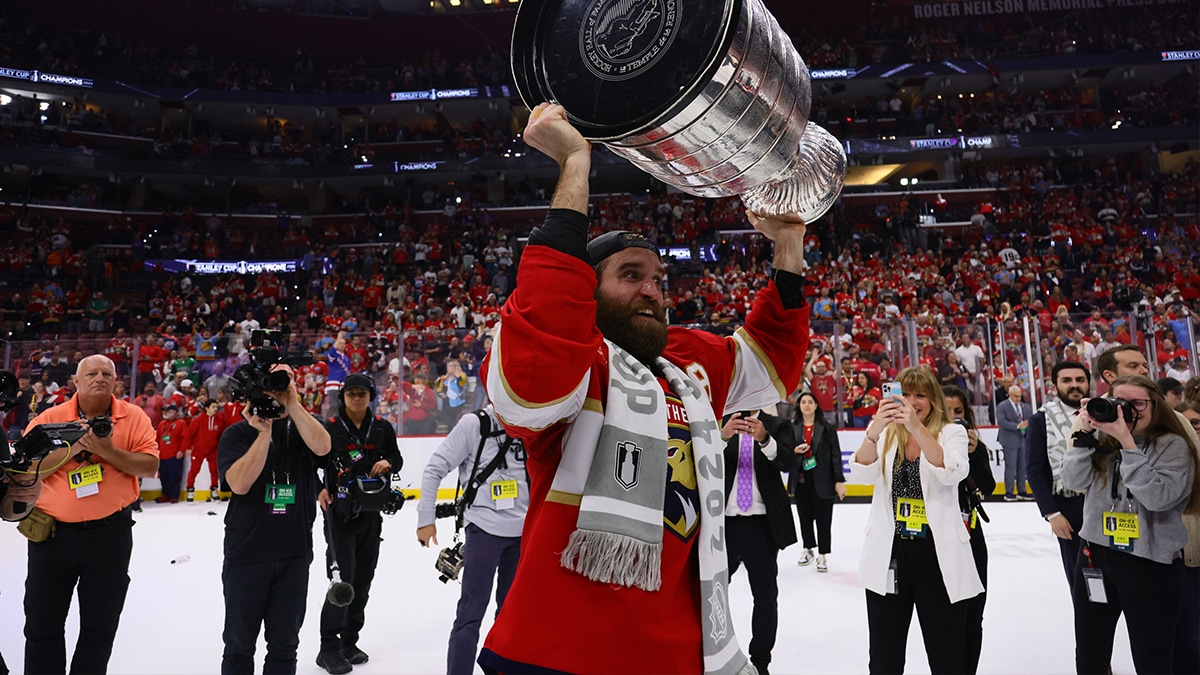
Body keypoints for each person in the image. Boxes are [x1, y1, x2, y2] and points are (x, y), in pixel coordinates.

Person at [477, 102, 809, 675]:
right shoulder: (577, 364)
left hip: (680, 652)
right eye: (630, 276)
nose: (653, 290)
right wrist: (576, 163)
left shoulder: (685, 362)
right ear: (588, 292)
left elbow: (772, 362)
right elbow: (542, 346)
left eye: (658, 279)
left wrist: (787, 245)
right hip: (560, 650)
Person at [22, 355, 159, 674]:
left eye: (107, 373)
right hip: (52, 537)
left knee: (100, 625)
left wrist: (107, 451)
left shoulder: (134, 417)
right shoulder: (49, 418)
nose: (100, 377)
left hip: (110, 536)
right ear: (76, 381)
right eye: (92, 373)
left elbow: (150, 466)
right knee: (43, 623)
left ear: (116, 381)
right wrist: (72, 446)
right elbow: (26, 470)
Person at [1063, 376, 1199, 674]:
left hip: (1150, 563)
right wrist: (1085, 434)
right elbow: (1072, 482)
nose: (1127, 411)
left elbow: (1157, 498)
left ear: (1156, 406)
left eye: (1137, 404)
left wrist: (1127, 443)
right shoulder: (1100, 438)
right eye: (1119, 403)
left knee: (1152, 658)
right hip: (1095, 556)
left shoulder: (1172, 445)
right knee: (1090, 653)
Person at [850, 366, 982, 674]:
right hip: (890, 555)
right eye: (904, 394)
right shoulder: (884, 434)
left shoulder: (952, 432)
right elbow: (861, 472)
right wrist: (874, 430)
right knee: (884, 657)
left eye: (920, 395)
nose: (911, 401)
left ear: (933, 399)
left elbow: (952, 471)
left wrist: (916, 428)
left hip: (937, 556)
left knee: (946, 655)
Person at [218, 365, 332, 675]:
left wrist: (293, 404)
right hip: (248, 555)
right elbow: (239, 484)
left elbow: (323, 447)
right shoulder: (238, 433)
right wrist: (263, 433)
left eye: (286, 380)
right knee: (239, 645)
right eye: (272, 381)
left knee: (284, 645)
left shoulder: (304, 426)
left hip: (293, 555)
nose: (278, 387)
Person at [417, 405, 528, 675]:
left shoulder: (534, 422)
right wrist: (425, 518)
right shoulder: (474, 425)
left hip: (525, 534)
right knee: (471, 613)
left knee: (512, 616)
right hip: (483, 532)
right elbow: (435, 468)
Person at [313, 374, 401, 673]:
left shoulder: (383, 428)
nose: (357, 398)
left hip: (371, 515)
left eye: (362, 393)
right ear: (343, 397)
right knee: (343, 581)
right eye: (351, 394)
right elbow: (309, 463)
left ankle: (349, 641)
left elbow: (396, 457)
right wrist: (319, 489)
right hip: (339, 516)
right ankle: (328, 647)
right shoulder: (330, 428)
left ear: (370, 395)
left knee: (363, 580)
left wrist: (388, 462)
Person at [720, 408, 796, 675]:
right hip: (723, 525)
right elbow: (695, 459)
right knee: (711, 593)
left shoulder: (778, 424)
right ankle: (712, 653)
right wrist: (721, 436)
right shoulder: (718, 419)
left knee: (765, 597)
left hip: (761, 526)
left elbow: (787, 462)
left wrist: (765, 439)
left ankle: (761, 661)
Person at [942, 385, 996, 675]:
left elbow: (986, 487)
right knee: (944, 617)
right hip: (936, 537)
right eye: (946, 411)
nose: (953, 418)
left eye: (959, 412)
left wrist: (973, 455)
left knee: (974, 614)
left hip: (971, 534)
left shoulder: (977, 447)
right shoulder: (925, 444)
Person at [1024, 361, 1091, 588]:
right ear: (1055, 386)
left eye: (1080, 380)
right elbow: (1034, 470)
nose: (1074, 385)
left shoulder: (1105, 412)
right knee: (1082, 579)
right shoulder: (1041, 419)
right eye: (1067, 381)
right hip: (1070, 508)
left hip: (1107, 504)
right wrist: (1052, 513)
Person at [787, 391, 847, 571]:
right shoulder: (792, 428)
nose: (806, 405)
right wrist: (795, 451)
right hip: (801, 479)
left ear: (816, 405)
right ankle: (808, 549)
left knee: (823, 519)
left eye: (810, 402)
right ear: (798, 406)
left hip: (824, 480)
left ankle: (823, 554)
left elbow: (836, 455)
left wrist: (838, 480)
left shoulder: (826, 427)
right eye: (803, 402)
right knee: (804, 518)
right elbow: (785, 452)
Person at [1174, 398, 1200, 675]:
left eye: (1197, 423)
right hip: (1185, 561)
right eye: (1187, 424)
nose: (1193, 429)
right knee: (1189, 637)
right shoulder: (1172, 461)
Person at [186, 398, 228, 502]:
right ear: (206, 408)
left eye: (216, 407)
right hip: (199, 450)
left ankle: (214, 489)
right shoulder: (198, 420)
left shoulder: (220, 420)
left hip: (213, 450)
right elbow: (189, 435)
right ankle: (190, 491)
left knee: (214, 471)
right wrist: (187, 447)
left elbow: (222, 435)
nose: (215, 409)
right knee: (194, 471)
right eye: (213, 407)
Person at [996, 384, 1034, 501]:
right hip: (1009, 439)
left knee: (1022, 466)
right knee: (1011, 466)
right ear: (1010, 395)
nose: (1018, 398)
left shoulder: (1025, 407)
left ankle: (1022, 490)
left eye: (1020, 396)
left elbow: (1030, 420)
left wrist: (1027, 426)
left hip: (1023, 439)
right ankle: (1009, 491)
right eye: (1016, 396)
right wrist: (1018, 425)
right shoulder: (1002, 406)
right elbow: (1002, 421)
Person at [155, 403, 189, 503]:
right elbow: (157, 439)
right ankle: (165, 494)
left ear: (175, 412)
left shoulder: (181, 423)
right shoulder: (161, 424)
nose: (166, 412)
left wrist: (181, 450)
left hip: (174, 454)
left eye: (169, 410)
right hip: (162, 455)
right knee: (164, 477)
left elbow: (185, 439)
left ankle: (174, 495)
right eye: (165, 410)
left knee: (174, 476)